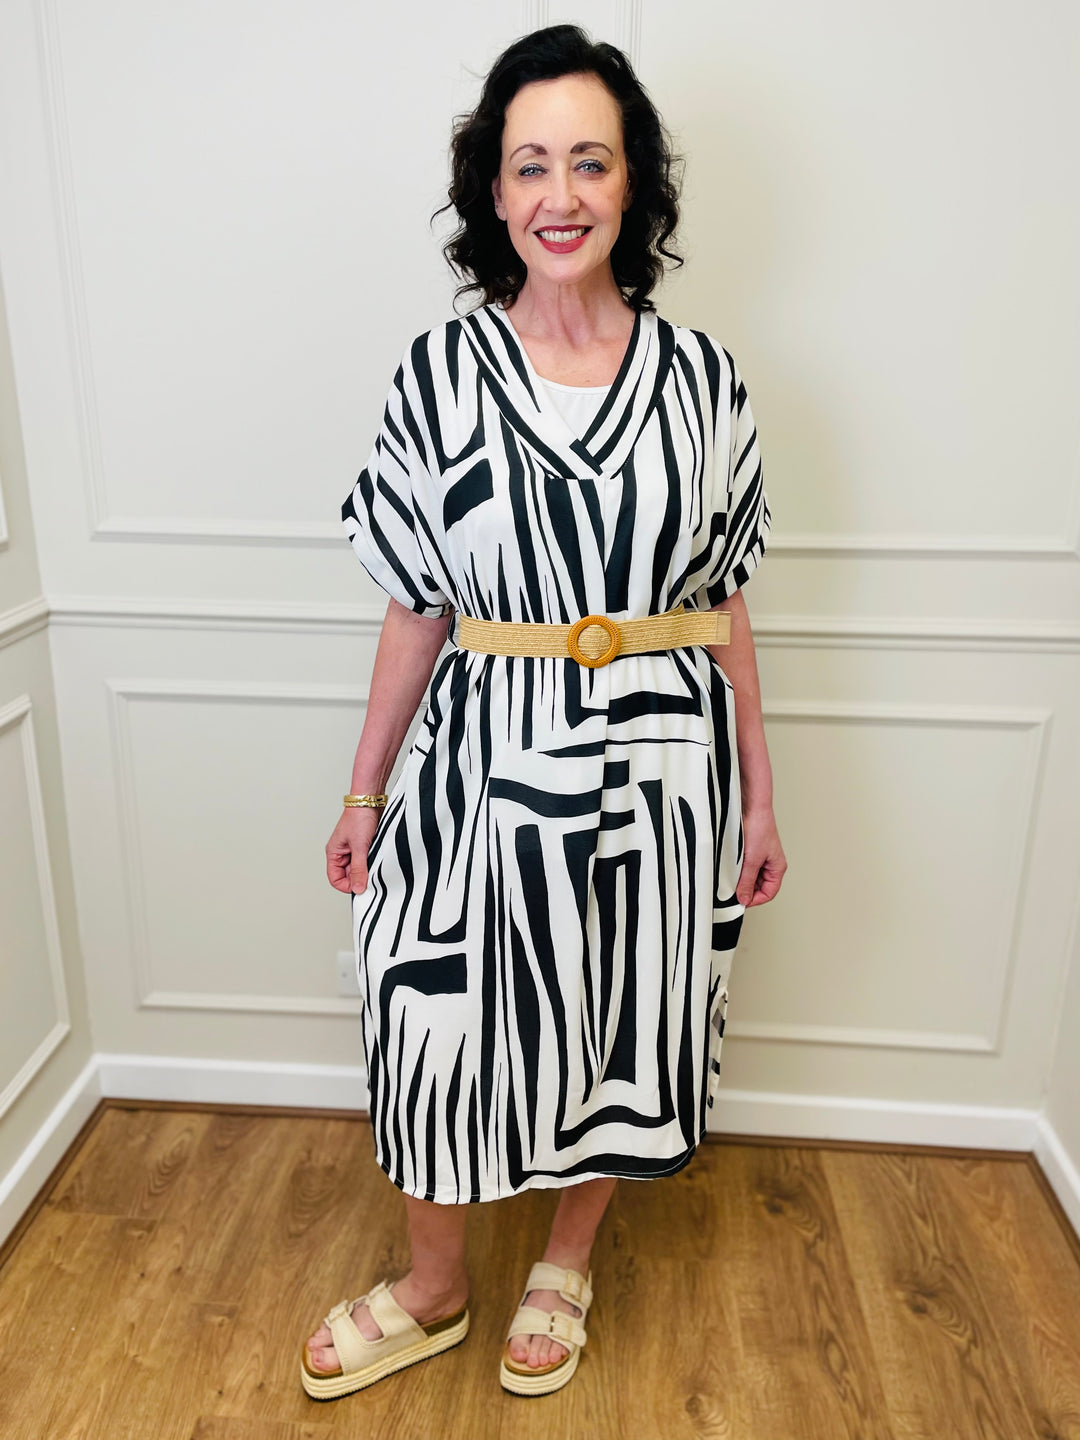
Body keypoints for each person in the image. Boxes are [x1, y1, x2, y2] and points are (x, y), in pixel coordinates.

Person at [301, 23, 786, 1402]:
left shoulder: (705, 381)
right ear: (493, 191)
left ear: (634, 184)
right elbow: (415, 600)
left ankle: (565, 1260)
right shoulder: (438, 375)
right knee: (428, 1012)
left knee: (626, 1009)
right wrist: (364, 789)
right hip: (482, 755)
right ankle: (435, 1286)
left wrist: (760, 792)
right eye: (529, 165)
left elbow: (724, 599)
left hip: (663, 761)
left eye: (590, 160)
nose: (559, 194)